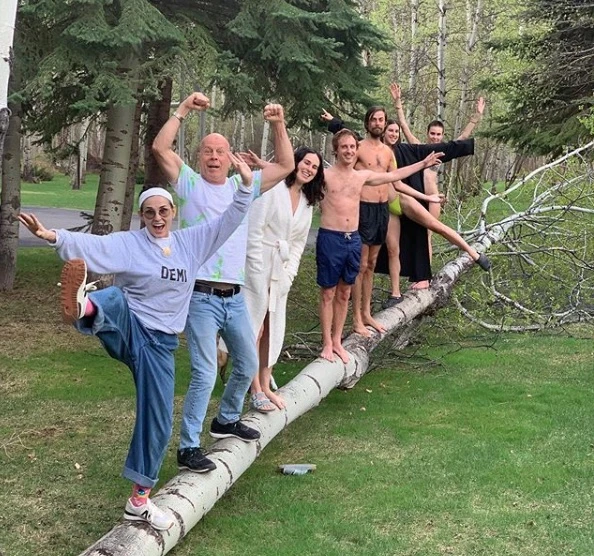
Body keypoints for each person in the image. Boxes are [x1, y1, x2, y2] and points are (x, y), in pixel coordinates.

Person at [17, 141, 253, 530]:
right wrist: (53, 236)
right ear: (141, 216)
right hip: (131, 328)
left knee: (158, 422)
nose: (157, 218)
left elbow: (229, 220)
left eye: (163, 211)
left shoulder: (191, 243)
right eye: (149, 213)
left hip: (160, 346)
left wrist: (244, 186)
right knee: (113, 298)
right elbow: (95, 244)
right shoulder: (131, 244)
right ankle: (84, 308)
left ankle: (139, 500)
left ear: (173, 212)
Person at [152, 93, 294, 474]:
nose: (214, 157)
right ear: (199, 157)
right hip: (200, 296)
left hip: (234, 297)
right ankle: (188, 447)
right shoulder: (188, 184)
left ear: (230, 158)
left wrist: (278, 123)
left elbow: (286, 165)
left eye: (220, 151)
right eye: (208, 151)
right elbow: (160, 147)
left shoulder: (241, 186)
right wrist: (182, 110)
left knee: (247, 363)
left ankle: (226, 419)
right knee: (204, 372)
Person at [324, 111, 491, 303]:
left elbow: (399, 181)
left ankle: (474, 254)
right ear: (382, 130)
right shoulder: (365, 147)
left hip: (400, 199)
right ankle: (395, 293)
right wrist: (334, 123)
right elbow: (349, 140)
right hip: (384, 208)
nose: (393, 134)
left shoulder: (399, 152)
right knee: (391, 250)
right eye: (390, 130)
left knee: (436, 226)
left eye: (396, 131)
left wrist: (428, 197)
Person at [317, 128, 443, 362]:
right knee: (328, 293)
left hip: (353, 239)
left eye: (352, 147)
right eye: (344, 147)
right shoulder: (324, 176)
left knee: (344, 293)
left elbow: (393, 176)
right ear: (336, 150)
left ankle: (337, 342)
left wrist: (422, 164)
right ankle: (327, 344)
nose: (349, 151)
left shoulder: (361, 176)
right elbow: (294, 175)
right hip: (330, 238)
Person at [239, 147, 325, 412]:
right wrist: (255, 271)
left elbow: (298, 244)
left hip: (281, 271)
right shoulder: (272, 189)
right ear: (295, 162)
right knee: (255, 326)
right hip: (258, 265)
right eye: (306, 163)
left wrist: (289, 275)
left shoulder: (307, 203)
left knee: (272, 327)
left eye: (314, 167)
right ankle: (254, 388)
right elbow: (254, 231)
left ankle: (266, 384)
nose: (309, 169)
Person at [391, 83, 486, 262]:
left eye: (438, 134)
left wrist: (476, 117)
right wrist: (398, 103)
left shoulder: (442, 152)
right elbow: (404, 126)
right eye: (432, 133)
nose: (435, 137)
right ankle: (414, 269)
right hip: (417, 195)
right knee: (413, 234)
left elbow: (463, 138)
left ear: (442, 136)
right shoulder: (418, 148)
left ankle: (426, 272)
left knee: (428, 234)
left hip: (433, 197)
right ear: (427, 133)